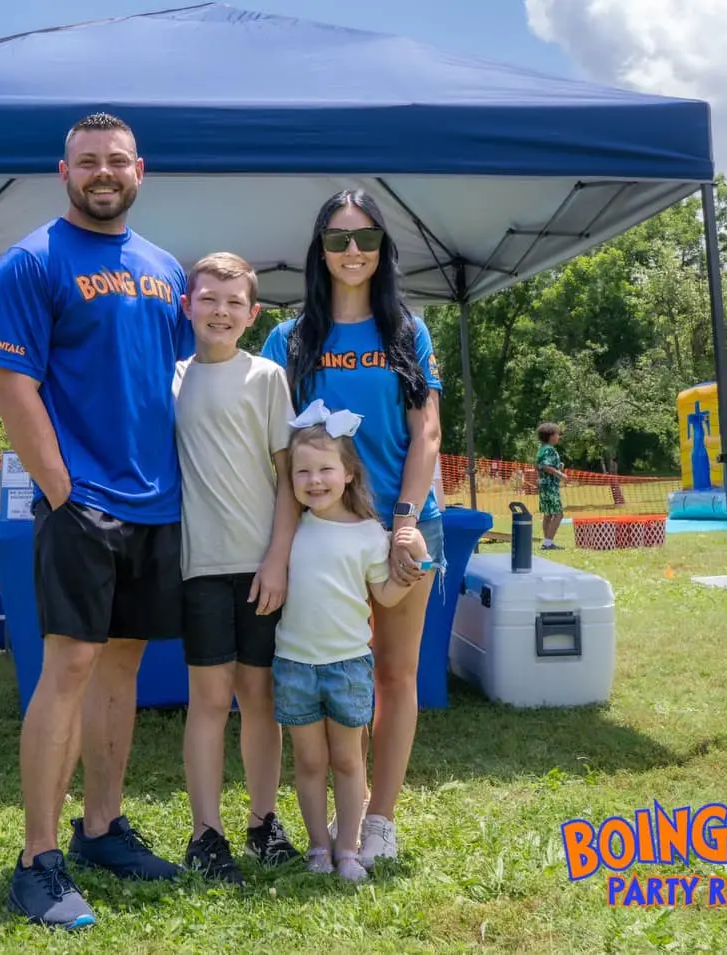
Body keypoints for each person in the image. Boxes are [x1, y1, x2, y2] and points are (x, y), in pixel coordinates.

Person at [0, 112, 192, 931]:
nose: (102, 172)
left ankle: (102, 826)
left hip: (159, 503)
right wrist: (63, 489)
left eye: (116, 161)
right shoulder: (29, 263)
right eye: (87, 162)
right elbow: (13, 382)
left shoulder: (163, 267)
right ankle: (38, 858)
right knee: (66, 668)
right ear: (62, 171)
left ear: (140, 169)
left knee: (122, 669)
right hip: (84, 505)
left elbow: (178, 369)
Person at [261, 189, 443, 867]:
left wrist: (402, 522)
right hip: (319, 539)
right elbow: (281, 457)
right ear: (319, 250)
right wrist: (278, 551)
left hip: (403, 525)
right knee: (323, 667)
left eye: (364, 238)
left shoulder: (407, 332)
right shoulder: (289, 339)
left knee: (394, 674)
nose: (352, 252)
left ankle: (377, 821)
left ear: (382, 247)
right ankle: (321, 826)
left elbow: (426, 430)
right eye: (337, 240)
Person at [172, 252, 301, 883]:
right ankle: (206, 833)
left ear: (251, 314)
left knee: (260, 696)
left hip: (262, 567)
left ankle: (261, 820)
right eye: (208, 300)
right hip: (200, 566)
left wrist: (278, 559)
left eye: (233, 303)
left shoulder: (269, 377)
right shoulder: (170, 380)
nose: (219, 312)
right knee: (209, 699)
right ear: (187, 305)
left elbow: (289, 477)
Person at [273, 404, 429, 881]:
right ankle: (317, 848)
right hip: (294, 666)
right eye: (303, 471)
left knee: (346, 760)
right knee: (309, 761)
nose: (314, 480)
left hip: (348, 668)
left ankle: (348, 849)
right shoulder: (287, 532)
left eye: (325, 469)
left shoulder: (369, 535)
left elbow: (384, 593)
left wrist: (416, 561)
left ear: (348, 474)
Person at [536, 422, 567, 549]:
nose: (559, 437)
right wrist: (560, 474)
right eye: (557, 434)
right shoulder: (549, 450)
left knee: (548, 514)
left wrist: (558, 467)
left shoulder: (541, 450)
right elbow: (545, 466)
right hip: (550, 486)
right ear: (551, 436)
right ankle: (548, 542)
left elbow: (539, 466)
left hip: (544, 485)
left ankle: (547, 542)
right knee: (559, 514)